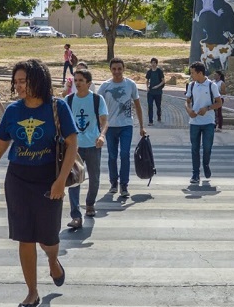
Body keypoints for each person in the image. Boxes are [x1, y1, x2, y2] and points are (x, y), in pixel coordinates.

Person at [0, 59, 77, 307]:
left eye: (24, 81)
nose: (19, 86)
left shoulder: (57, 107)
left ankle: (53, 260)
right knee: (25, 237)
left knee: (48, 237)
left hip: (48, 179)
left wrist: (60, 182)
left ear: (39, 80)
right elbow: (1, 144)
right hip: (18, 179)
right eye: (16, 81)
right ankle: (32, 292)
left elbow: (72, 144)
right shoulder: (13, 111)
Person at [98, 58, 147, 198]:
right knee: (112, 156)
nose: (117, 72)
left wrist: (142, 126)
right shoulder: (105, 86)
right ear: (110, 70)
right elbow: (97, 105)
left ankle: (124, 185)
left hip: (126, 125)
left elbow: (137, 105)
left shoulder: (130, 84)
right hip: (110, 126)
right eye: (114, 69)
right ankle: (114, 182)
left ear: (123, 69)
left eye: (119, 68)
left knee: (124, 154)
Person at [66, 68, 108, 228]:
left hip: (93, 145)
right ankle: (76, 215)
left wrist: (102, 135)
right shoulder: (68, 100)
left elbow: (104, 120)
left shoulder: (97, 99)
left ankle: (90, 203)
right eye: (75, 80)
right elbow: (61, 121)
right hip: (74, 148)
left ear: (88, 83)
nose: (77, 83)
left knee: (94, 178)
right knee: (74, 180)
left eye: (81, 81)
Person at [185, 62, 222, 184]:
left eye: (192, 73)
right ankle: (195, 173)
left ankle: (206, 164)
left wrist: (207, 108)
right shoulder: (191, 85)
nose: (191, 76)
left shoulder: (212, 85)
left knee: (207, 147)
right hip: (194, 122)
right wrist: (189, 110)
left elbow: (219, 102)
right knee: (194, 148)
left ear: (200, 73)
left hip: (208, 122)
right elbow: (187, 101)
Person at [145, 57, 165, 125]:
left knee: (158, 106)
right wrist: (147, 87)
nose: (153, 64)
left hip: (158, 92)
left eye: (154, 63)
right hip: (150, 92)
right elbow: (147, 80)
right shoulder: (149, 72)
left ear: (156, 64)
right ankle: (150, 121)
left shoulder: (159, 71)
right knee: (150, 106)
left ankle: (159, 115)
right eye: (152, 63)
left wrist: (157, 86)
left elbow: (163, 81)